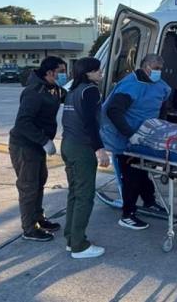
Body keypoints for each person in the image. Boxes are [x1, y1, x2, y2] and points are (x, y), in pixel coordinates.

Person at [100, 53, 171, 230]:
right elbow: (113, 111)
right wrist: (130, 134)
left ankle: (149, 201)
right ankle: (127, 215)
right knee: (131, 176)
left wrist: (160, 128)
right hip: (127, 138)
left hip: (147, 136)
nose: (159, 72)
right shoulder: (130, 86)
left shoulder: (161, 86)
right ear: (146, 67)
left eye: (160, 69)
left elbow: (162, 109)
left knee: (142, 171)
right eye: (156, 69)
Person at [9, 56, 67, 242]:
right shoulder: (34, 92)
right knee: (29, 186)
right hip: (25, 145)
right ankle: (29, 228)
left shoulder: (54, 88)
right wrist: (44, 141)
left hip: (37, 145)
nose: (64, 75)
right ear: (50, 72)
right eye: (61, 71)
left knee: (40, 180)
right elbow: (22, 123)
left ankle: (38, 217)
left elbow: (69, 96)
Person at [61, 57, 110, 258]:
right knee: (85, 196)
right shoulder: (90, 90)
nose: (101, 73)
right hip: (82, 147)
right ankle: (79, 246)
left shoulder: (72, 90)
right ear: (88, 73)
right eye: (97, 70)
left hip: (68, 144)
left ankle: (71, 239)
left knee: (74, 193)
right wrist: (100, 149)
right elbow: (90, 122)